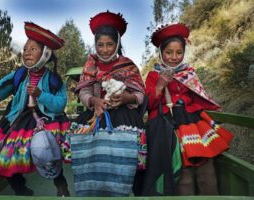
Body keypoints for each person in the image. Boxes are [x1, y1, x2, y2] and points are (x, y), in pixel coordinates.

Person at [0, 22, 70, 196]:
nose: (27, 53)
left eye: (33, 49)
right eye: (25, 49)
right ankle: (21, 190)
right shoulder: (19, 75)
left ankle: (61, 185)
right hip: (18, 121)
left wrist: (41, 94)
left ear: (45, 54)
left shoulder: (54, 80)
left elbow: (60, 104)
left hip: (46, 121)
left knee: (49, 153)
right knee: (4, 156)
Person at [144, 23, 234, 195]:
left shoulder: (189, 72)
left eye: (179, 52)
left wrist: (212, 109)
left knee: (206, 170)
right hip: (171, 128)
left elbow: (198, 97)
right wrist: (160, 86)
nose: (174, 57)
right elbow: (148, 105)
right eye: (168, 52)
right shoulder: (154, 76)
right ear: (161, 53)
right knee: (183, 173)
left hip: (194, 124)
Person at [73, 11, 146, 196]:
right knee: (94, 157)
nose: (104, 49)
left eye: (109, 44)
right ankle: (98, 191)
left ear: (117, 44)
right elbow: (83, 90)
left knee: (128, 157)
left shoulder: (128, 65)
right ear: (95, 45)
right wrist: (93, 101)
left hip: (124, 116)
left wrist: (127, 98)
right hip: (96, 115)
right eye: (100, 45)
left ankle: (133, 192)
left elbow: (140, 94)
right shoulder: (90, 65)